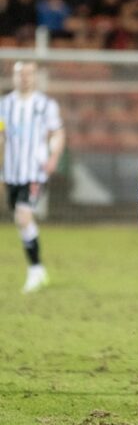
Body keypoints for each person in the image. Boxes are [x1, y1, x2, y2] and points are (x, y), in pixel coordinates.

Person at [0, 61, 65, 294]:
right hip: (11, 173)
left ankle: (36, 270)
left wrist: (54, 156)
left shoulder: (45, 105)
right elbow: (2, 137)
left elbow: (57, 132)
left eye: (29, 74)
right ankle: (38, 270)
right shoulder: (4, 105)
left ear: (35, 77)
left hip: (34, 172)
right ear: (14, 77)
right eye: (20, 74)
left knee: (23, 216)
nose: (25, 78)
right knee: (21, 221)